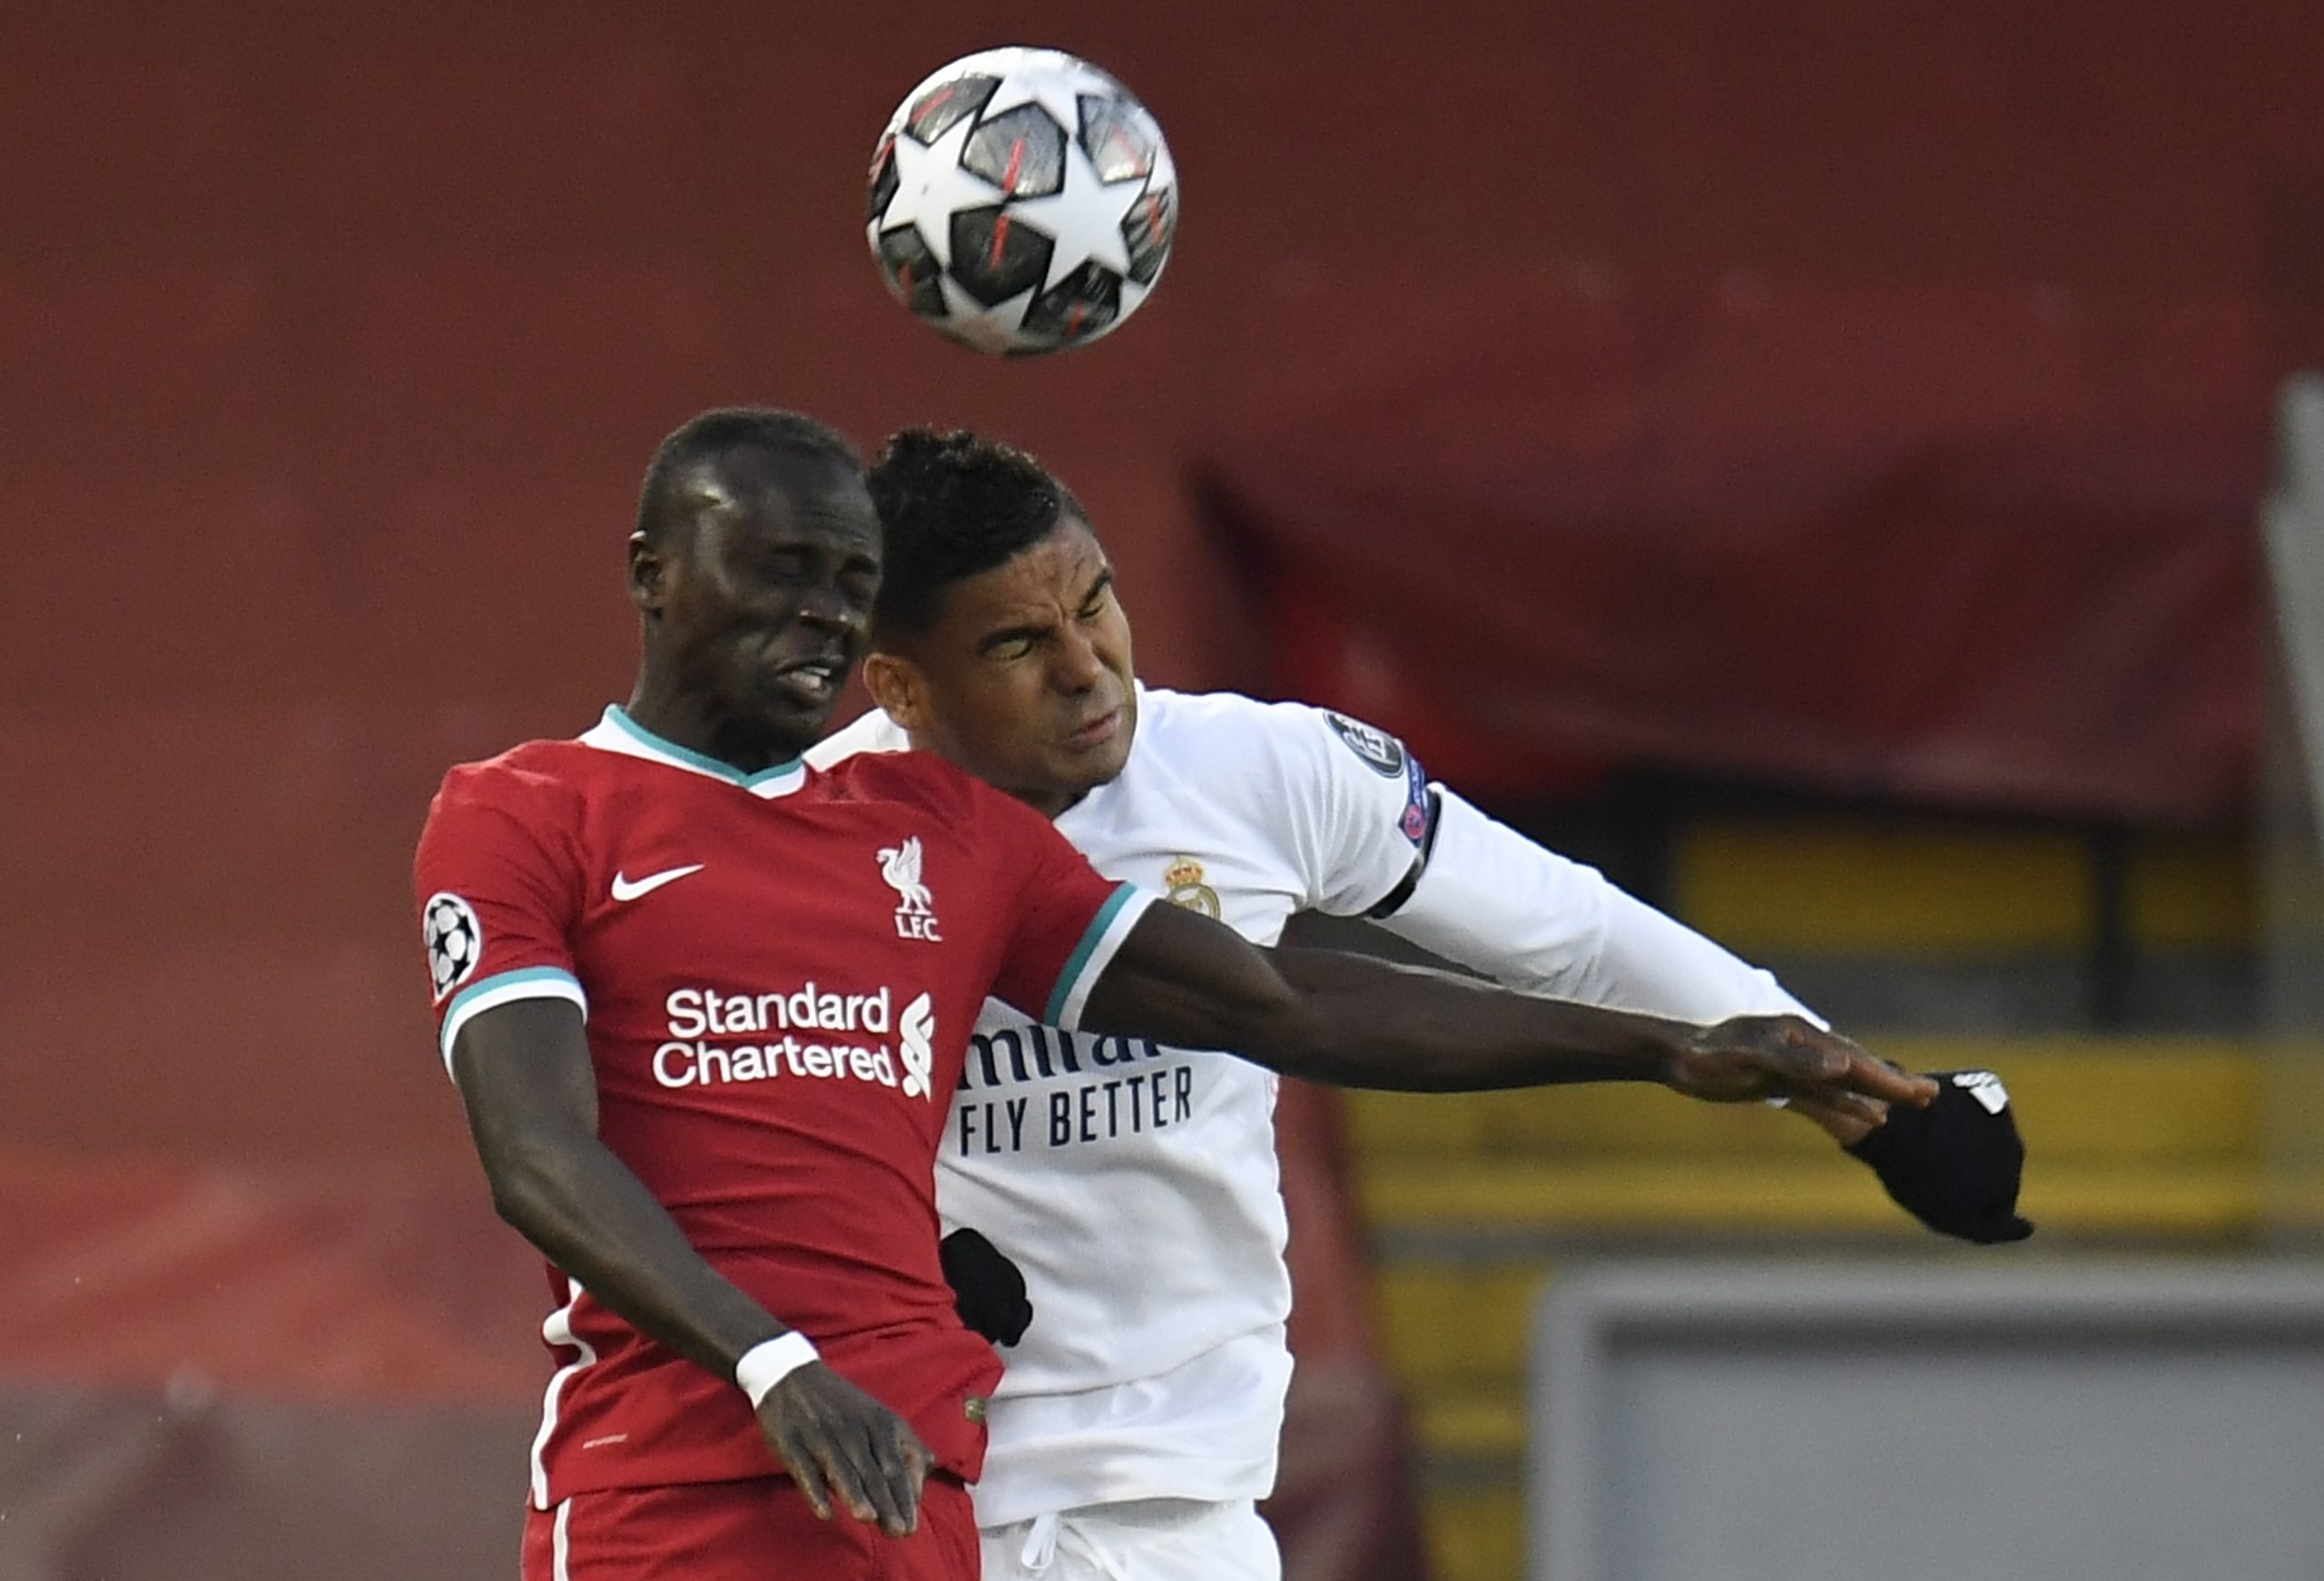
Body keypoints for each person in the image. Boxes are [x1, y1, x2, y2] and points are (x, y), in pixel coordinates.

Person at [413, 408, 1933, 1581]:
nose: (815, 613)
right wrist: (778, 1359)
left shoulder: (955, 839)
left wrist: (1664, 1045)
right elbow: (537, 1152)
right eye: (781, 572)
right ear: (656, 574)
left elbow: (1288, 1006)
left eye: (844, 582)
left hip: (1016, 1505)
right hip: (742, 1482)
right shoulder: (532, 811)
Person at [809, 426, 2034, 1581]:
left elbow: (1572, 933)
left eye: (1095, 605)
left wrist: (1874, 1094)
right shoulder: (796, 849)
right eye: (1017, 646)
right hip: (903, 1491)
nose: (1088, 669)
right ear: (901, 688)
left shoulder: (1260, 771)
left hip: (1175, 1498)